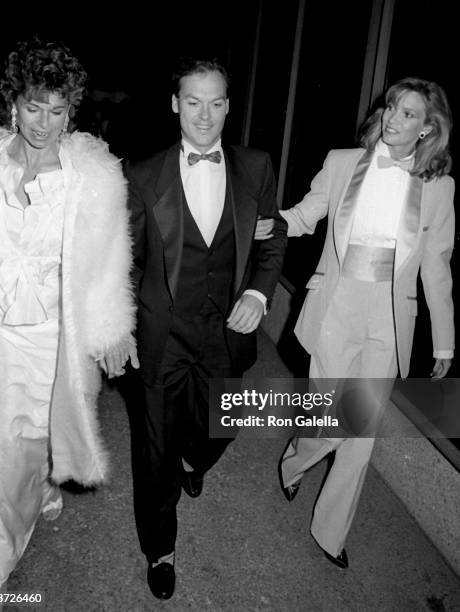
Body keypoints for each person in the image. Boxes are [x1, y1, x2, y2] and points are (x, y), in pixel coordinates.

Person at [0, 38, 136, 607]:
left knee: (31, 436)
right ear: (12, 103)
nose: (43, 123)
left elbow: (108, 259)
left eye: (57, 109)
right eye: (32, 106)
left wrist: (111, 327)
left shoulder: (88, 176)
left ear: (72, 111)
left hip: (53, 336)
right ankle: (5, 544)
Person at [270, 77, 454, 568]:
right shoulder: (342, 161)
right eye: (392, 107)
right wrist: (270, 221)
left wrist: (444, 342)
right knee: (332, 416)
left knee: (362, 431)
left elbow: (437, 264)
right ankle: (295, 459)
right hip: (338, 302)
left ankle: (331, 532)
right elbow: (308, 214)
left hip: (391, 317)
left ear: (427, 128)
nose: (394, 118)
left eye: (409, 114)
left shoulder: (438, 187)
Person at [126, 57, 287, 599]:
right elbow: (123, 261)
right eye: (193, 101)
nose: (205, 114)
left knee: (221, 426)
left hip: (226, 332)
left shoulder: (256, 166)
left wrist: (260, 291)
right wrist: (116, 327)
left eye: (216, 101)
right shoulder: (142, 175)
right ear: (175, 104)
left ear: (227, 104)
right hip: (164, 335)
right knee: (155, 453)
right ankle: (160, 549)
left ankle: (196, 460)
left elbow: (272, 237)